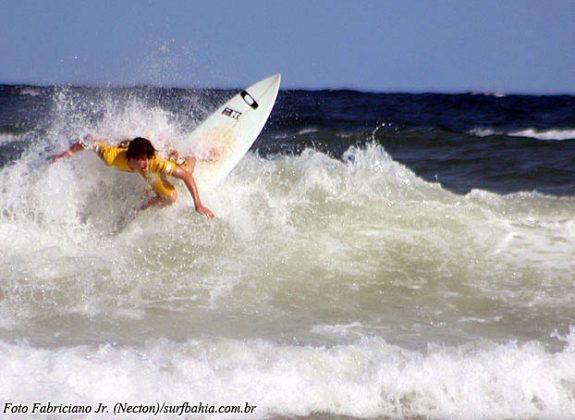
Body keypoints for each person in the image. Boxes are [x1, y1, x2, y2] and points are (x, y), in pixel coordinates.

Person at [51, 136, 214, 218]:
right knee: (166, 193)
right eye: (142, 161)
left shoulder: (154, 162)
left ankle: (194, 154)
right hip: (127, 145)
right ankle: (143, 207)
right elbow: (89, 140)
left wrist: (198, 204)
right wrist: (70, 152)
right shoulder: (111, 157)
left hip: (159, 159)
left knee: (176, 189)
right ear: (131, 159)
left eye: (147, 159)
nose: (146, 164)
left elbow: (185, 176)